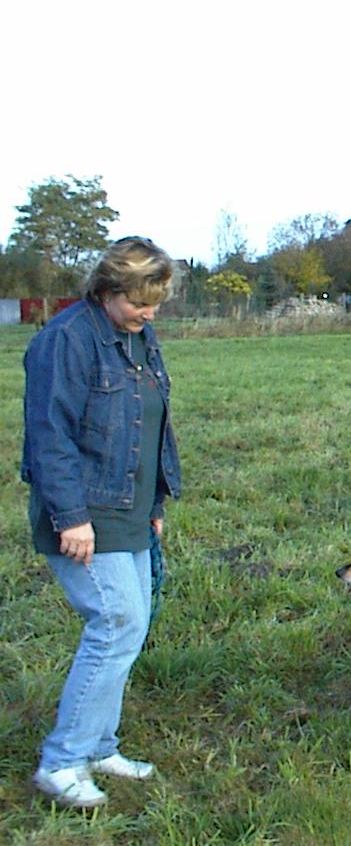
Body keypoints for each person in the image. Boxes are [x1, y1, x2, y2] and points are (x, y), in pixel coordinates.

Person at [22, 237, 182, 808]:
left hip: (131, 511)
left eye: (157, 302)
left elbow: (151, 423)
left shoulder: (139, 338)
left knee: (130, 629)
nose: (151, 313)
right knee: (114, 625)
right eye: (142, 301)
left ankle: (98, 746)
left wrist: (156, 505)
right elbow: (50, 436)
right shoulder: (64, 340)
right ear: (109, 290)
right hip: (84, 514)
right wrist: (71, 518)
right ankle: (61, 762)